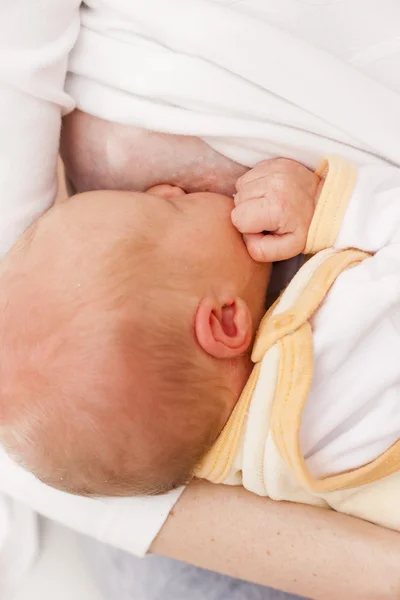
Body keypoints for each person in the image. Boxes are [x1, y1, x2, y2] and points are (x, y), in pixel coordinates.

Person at [1, 1, 400, 599]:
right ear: (224, 320)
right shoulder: (332, 377)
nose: (166, 189)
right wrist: (335, 209)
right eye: (173, 202)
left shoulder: (190, 445)